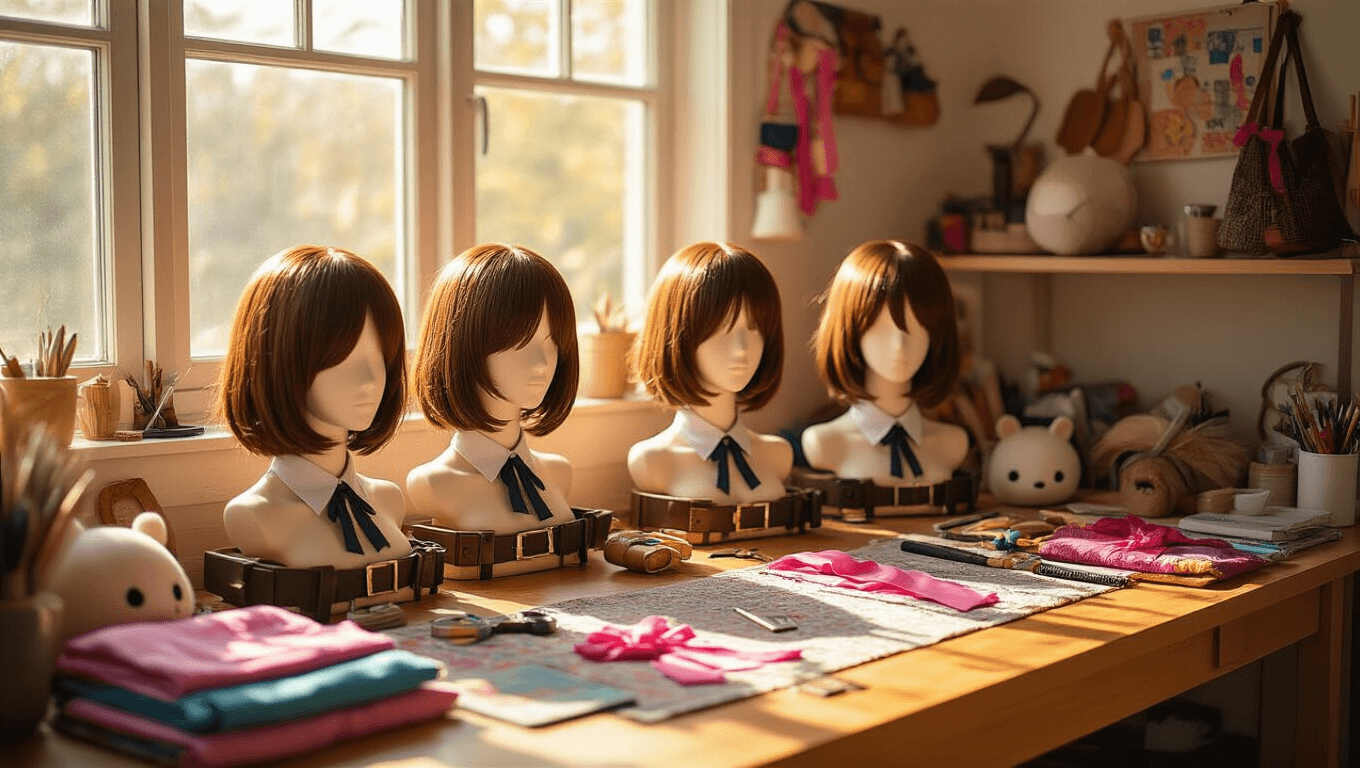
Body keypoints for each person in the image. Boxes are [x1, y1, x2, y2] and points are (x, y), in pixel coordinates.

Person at [219, 245, 413, 568]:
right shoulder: (253, 516)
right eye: (345, 355)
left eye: (380, 354)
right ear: (281, 360)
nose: (370, 379)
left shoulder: (388, 500)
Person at [406, 243, 583, 578]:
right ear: (464, 344)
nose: (542, 363)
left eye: (553, 342)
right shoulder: (431, 484)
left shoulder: (558, 473)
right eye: (521, 341)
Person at [801, 239, 971, 520]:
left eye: (917, 328)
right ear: (851, 331)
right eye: (881, 328)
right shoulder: (825, 443)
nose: (899, 346)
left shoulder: (953, 443)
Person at [628, 242, 793, 506]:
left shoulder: (778, 454)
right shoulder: (653, 461)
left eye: (755, 328)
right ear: (678, 335)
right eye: (721, 327)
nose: (741, 349)